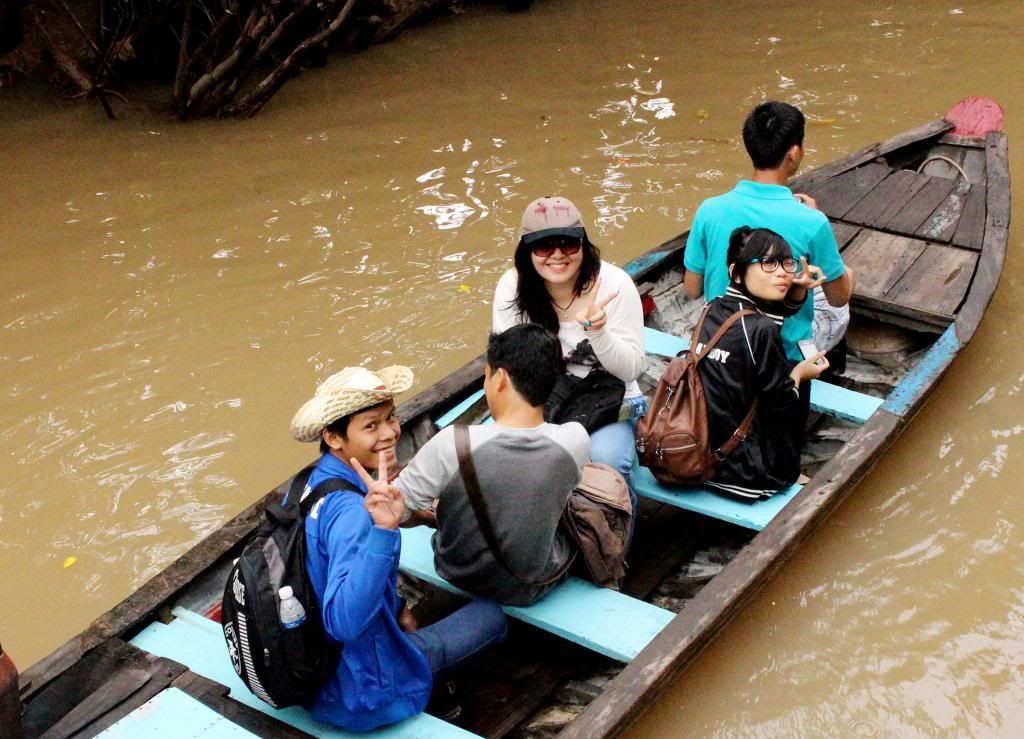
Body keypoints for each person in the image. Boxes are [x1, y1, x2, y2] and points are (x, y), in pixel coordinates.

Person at [288, 365, 507, 731]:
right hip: (360, 694)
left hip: (313, 673)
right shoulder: (353, 513)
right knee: (492, 616)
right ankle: (434, 697)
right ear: (333, 437)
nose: (390, 432)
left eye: (391, 418)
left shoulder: (308, 485)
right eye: (371, 426)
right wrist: (385, 531)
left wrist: (399, 606)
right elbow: (343, 623)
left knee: (407, 613)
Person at [397, 323, 589, 606]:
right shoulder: (574, 440)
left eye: (486, 375)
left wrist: (431, 516)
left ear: (499, 378)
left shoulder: (453, 442)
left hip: (455, 573)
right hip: (530, 587)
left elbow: (399, 512)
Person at [683, 100, 857, 362]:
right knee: (847, 277)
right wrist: (816, 215)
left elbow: (692, 289)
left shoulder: (709, 210)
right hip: (782, 355)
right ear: (795, 152)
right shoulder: (812, 222)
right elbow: (838, 298)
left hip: (722, 342)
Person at [492, 195, 646, 491]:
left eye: (568, 243)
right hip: (543, 394)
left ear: (583, 245)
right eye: (544, 245)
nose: (557, 254)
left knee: (607, 463)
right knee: (508, 458)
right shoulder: (512, 287)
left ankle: (618, 527)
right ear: (527, 250)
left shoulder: (615, 285)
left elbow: (631, 370)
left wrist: (599, 332)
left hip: (612, 396)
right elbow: (509, 366)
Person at [697, 227, 829, 500]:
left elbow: (765, 311)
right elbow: (780, 402)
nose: (782, 273)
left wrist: (795, 291)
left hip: (701, 457)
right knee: (794, 376)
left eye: (786, 263)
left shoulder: (713, 309)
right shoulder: (761, 329)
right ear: (736, 272)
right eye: (768, 263)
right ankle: (788, 473)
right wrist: (800, 374)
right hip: (747, 476)